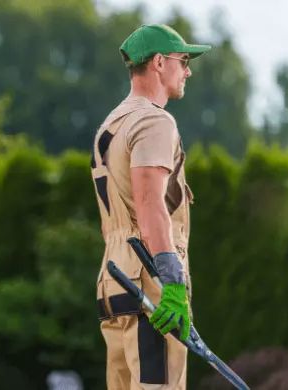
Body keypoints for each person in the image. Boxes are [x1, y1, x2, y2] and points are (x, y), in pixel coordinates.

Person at [90, 24, 212, 390]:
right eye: (183, 60)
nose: (187, 70)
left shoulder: (111, 125)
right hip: (149, 284)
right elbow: (149, 203)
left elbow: (113, 220)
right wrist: (173, 283)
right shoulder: (154, 120)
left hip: (114, 281)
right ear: (159, 62)